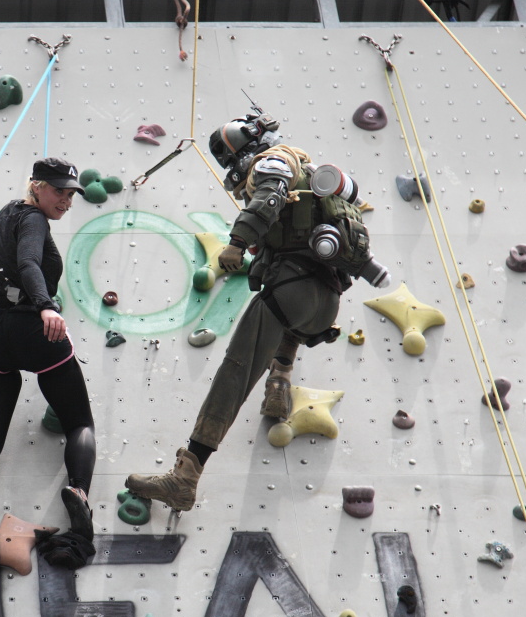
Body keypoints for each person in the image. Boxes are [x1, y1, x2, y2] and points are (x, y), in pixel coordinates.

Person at [126, 108, 390, 512]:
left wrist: (237, 242)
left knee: (235, 372)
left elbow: (269, 197)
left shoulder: (273, 163)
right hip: (325, 302)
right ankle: (279, 383)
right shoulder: (310, 172)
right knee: (284, 329)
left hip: (291, 289)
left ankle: (185, 477)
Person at [0, 158, 98, 570]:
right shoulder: (34, 220)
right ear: (36, 186)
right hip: (32, 326)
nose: (66, 200)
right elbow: (29, 262)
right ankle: (79, 494)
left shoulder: (7, 213)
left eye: (71, 194)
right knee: (79, 423)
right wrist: (46, 306)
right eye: (58, 191)